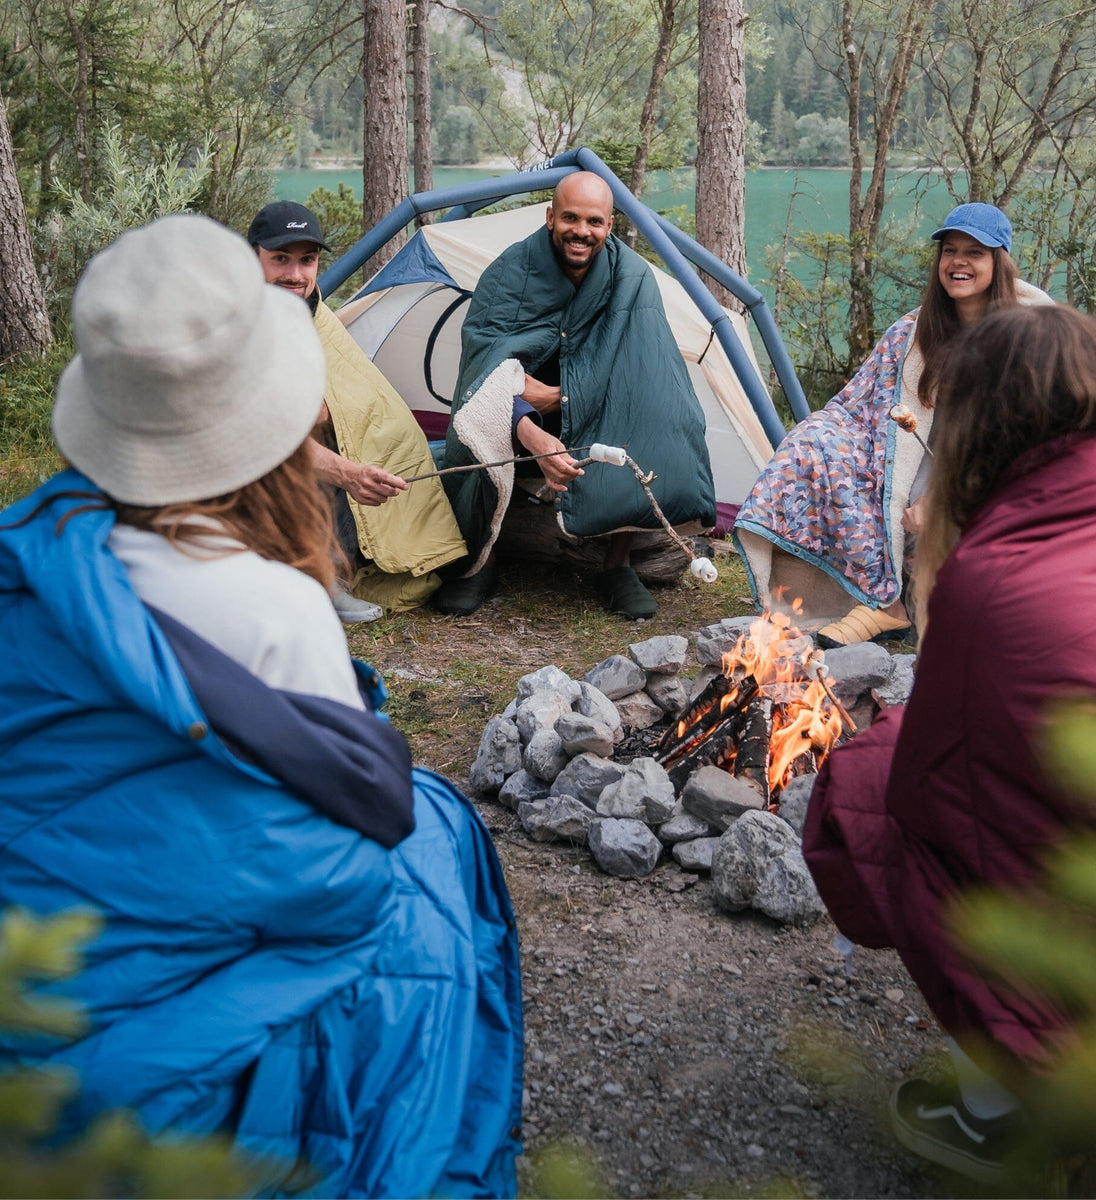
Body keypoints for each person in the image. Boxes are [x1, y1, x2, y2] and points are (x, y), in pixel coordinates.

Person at [0, 215, 522, 1197]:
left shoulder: (7, 551)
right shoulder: (273, 605)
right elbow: (328, 855)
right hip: (108, 1059)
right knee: (430, 847)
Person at [803, 304, 1096, 1184]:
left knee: (869, 793)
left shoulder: (994, 578)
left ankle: (997, 1116)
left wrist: (871, 747)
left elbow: (937, 787)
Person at [734, 202, 1052, 646]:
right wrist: (817, 442)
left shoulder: (1027, 335)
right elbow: (857, 406)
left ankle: (912, 607)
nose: (958, 262)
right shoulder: (915, 331)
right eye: (950, 251)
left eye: (975, 253)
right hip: (915, 460)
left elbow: (1020, 437)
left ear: (998, 263)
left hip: (987, 472)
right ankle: (886, 605)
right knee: (817, 440)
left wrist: (941, 496)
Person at [433, 170, 717, 620]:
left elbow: (646, 365)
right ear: (550, 217)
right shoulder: (509, 274)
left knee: (658, 402)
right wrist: (531, 429)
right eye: (570, 218)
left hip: (592, 403)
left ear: (609, 225)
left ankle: (616, 563)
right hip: (522, 412)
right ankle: (480, 562)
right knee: (482, 412)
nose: (581, 232)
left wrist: (572, 395)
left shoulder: (632, 277)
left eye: (594, 222)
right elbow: (483, 373)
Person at [247, 201, 467, 621]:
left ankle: (343, 564)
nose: (295, 274)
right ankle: (316, 574)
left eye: (306, 260)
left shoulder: (313, 312)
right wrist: (342, 466)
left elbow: (355, 394)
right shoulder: (236, 322)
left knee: (367, 434)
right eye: (279, 259)